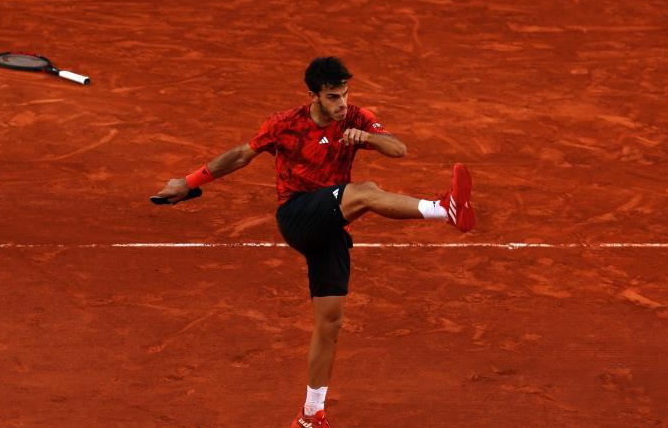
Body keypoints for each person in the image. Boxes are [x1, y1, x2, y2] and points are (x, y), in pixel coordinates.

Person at [153, 56, 475, 427]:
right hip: (297, 215)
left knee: (330, 323)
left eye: (345, 94)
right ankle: (443, 210)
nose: (342, 103)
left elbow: (398, 149)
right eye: (334, 97)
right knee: (365, 191)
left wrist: (368, 136)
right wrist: (189, 182)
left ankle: (310, 415)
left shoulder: (355, 117)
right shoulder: (285, 124)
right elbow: (241, 156)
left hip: (331, 227)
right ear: (314, 95)